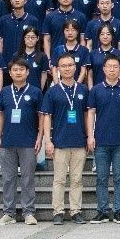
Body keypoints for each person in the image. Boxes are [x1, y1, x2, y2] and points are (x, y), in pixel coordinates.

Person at [0, 57, 43, 225]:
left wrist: (40, 137)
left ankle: (28, 212)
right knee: (8, 178)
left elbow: (41, 116)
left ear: (27, 72)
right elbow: (0, 115)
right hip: (7, 141)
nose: (18, 72)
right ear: (10, 73)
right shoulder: (5, 92)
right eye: (15, 69)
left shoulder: (35, 92)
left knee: (28, 178)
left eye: (22, 69)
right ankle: (9, 213)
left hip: (28, 141)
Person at [42, 53, 89, 224]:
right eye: (63, 66)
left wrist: (89, 136)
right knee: (59, 179)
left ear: (75, 67)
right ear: (58, 69)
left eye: (70, 65)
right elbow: (47, 117)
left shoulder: (83, 90)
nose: (67, 68)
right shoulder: (53, 91)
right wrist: (48, 141)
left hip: (79, 141)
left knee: (77, 179)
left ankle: (76, 210)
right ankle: (58, 211)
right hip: (60, 142)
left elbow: (87, 115)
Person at [88, 53, 120, 224]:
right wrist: (90, 135)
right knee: (101, 177)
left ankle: (118, 210)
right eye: (109, 66)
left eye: (115, 67)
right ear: (104, 69)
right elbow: (91, 113)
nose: (112, 69)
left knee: (119, 177)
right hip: (101, 140)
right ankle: (102, 210)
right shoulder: (96, 90)